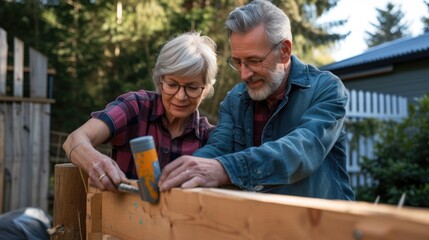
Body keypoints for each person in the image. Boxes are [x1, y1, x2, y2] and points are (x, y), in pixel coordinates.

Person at [158, 0, 355, 200]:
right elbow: (218, 149)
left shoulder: (326, 89)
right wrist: (180, 174)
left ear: (284, 51)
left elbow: (300, 151)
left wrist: (226, 169)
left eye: (254, 61)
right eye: (237, 62)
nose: (244, 74)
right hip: (259, 226)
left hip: (325, 227)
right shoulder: (234, 100)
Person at [63, 32, 218, 192]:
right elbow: (74, 140)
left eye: (192, 88)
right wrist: (94, 161)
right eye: (172, 84)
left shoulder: (211, 138)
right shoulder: (135, 107)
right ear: (159, 79)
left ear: (206, 89)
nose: (180, 96)